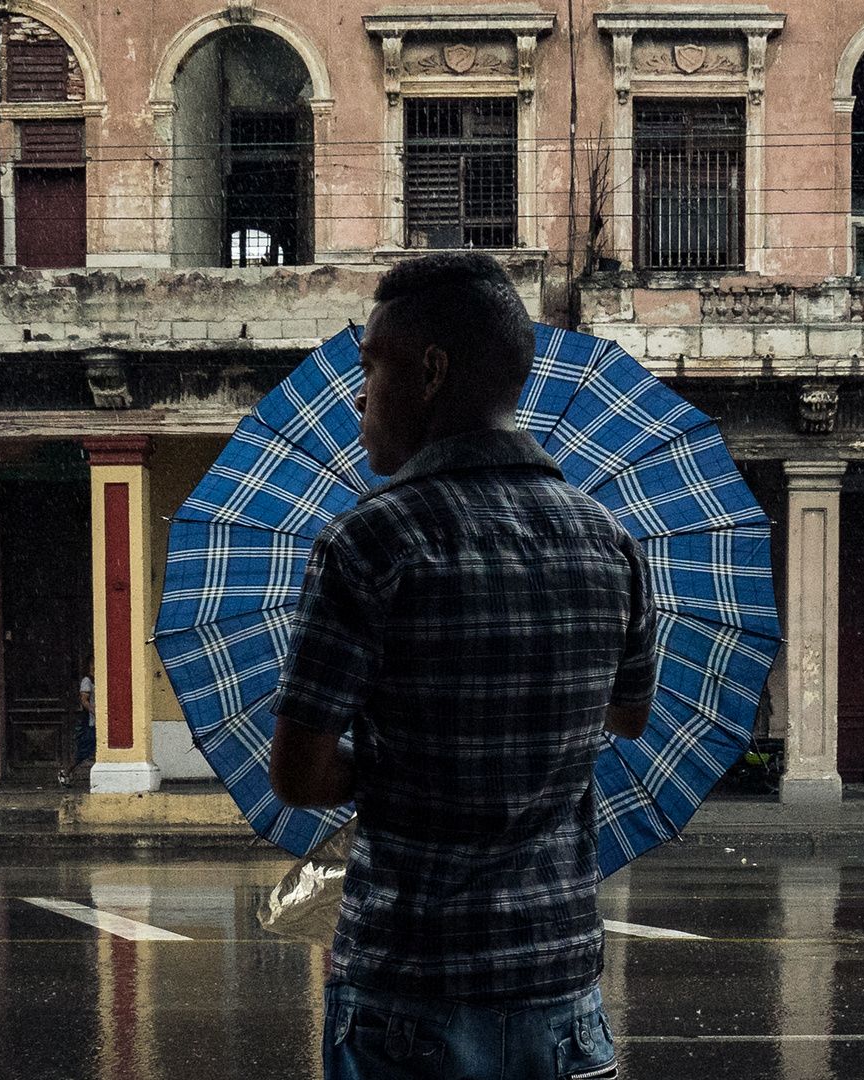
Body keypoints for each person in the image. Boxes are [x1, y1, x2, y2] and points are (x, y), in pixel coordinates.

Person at [267, 253, 658, 1080]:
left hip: (412, 992)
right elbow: (627, 717)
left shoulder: (370, 542)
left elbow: (298, 776)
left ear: (431, 372)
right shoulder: (610, 543)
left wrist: (401, 767)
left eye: (371, 366)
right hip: (563, 1001)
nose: (359, 395)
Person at [59, 658, 95, 786]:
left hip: (102, 722)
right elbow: (84, 700)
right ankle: (65, 772)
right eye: (93, 663)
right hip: (92, 722)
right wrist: (94, 711)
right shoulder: (87, 681)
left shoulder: (102, 678)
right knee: (83, 750)